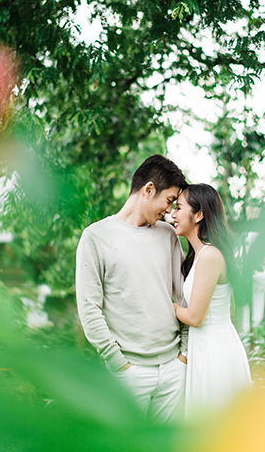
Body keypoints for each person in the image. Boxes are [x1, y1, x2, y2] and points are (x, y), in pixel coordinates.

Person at [76, 154, 189, 423]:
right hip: (129, 374)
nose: (170, 211)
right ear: (149, 189)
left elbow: (183, 296)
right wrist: (120, 366)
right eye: (169, 201)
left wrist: (183, 356)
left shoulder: (168, 235)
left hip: (173, 368)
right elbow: (90, 310)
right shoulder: (95, 237)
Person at [170, 183, 251, 415]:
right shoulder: (201, 255)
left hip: (215, 353)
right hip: (208, 346)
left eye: (178, 207)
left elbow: (195, 317)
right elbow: (231, 309)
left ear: (199, 215)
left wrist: (169, 305)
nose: (172, 214)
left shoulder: (209, 256)